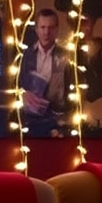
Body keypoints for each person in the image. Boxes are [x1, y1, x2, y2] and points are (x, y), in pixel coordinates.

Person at [20, 7, 70, 136]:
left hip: (57, 120)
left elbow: (72, 89)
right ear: (36, 29)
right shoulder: (24, 55)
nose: (46, 32)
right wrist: (22, 94)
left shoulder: (67, 57)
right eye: (43, 27)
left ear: (57, 29)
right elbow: (13, 83)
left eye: (51, 27)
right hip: (28, 121)